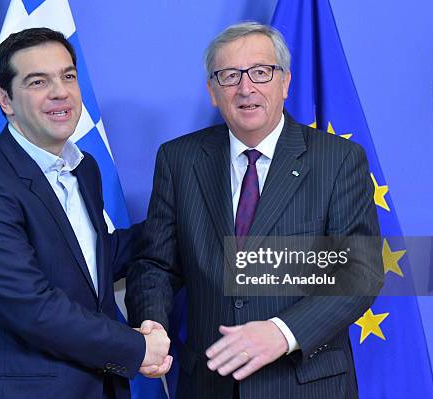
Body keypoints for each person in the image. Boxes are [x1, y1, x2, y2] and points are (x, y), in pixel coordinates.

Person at [126, 22, 383, 398]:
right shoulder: (178, 159)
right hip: (208, 384)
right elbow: (156, 264)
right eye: (230, 76)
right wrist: (152, 324)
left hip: (305, 383)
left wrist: (282, 332)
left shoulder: (338, 159)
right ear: (212, 91)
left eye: (261, 72)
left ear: (285, 82)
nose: (246, 88)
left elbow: (359, 271)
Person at [0, 28, 170, 399]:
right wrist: (137, 348)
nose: (60, 92)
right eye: (37, 82)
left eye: (68, 76)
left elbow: (88, 263)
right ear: (5, 100)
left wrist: (180, 226)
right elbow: (31, 306)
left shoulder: (84, 167)